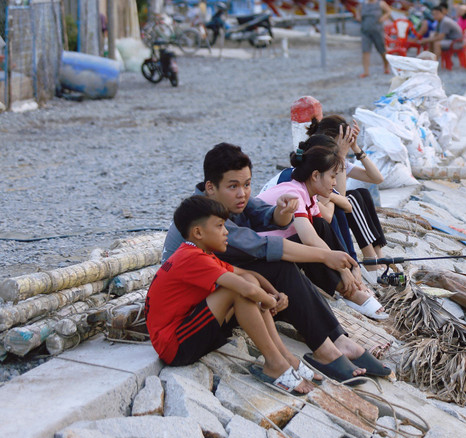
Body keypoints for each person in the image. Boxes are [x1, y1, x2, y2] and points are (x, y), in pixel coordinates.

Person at [162, 143, 391, 383]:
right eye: (233, 186)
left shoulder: (228, 200)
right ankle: (325, 349)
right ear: (211, 187)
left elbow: (265, 215)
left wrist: (282, 211)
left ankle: (338, 338)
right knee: (281, 266)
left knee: (299, 246)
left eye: (247, 184)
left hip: (225, 278)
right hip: (202, 308)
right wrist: (324, 255)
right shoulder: (204, 217)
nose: (242, 193)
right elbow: (259, 246)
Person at [147, 195, 320, 394]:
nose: (226, 231)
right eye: (220, 226)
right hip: (175, 347)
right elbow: (246, 290)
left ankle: (285, 356)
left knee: (247, 281)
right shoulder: (190, 258)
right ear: (198, 232)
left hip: (190, 332)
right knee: (237, 290)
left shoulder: (202, 254)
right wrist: (270, 301)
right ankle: (275, 363)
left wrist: (274, 293)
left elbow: (249, 275)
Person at [256, 137, 388, 321]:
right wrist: (343, 270)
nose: (335, 183)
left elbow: (323, 232)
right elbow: (309, 239)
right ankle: (348, 291)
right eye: (332, 177)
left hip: (279, 248)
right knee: (309, 243)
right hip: (260, 257)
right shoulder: (294, 192)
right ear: (315, 175)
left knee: (321, 225)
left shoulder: (309, 195)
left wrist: (351, 266)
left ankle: (352, 284)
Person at [307, 115, 389, 273]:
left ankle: (378, 255)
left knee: (363, 193)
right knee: (352, 199)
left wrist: (356, 148)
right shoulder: (318, 160)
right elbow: (341, 195)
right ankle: (370, 259)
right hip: (317, 216)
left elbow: (377, 178)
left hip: (326, 204)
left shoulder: (333, 159)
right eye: (344, 140)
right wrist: (341, 156)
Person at [355, 0, 392, 78]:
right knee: (365, 50)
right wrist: (358, 16)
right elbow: (357, 11)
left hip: (377, 30)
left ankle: (386, 65)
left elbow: (388, 11)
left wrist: (383, 17)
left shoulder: (380, 3)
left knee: (382, 50)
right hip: (365, 30)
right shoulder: (362, 4)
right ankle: (366, 71)